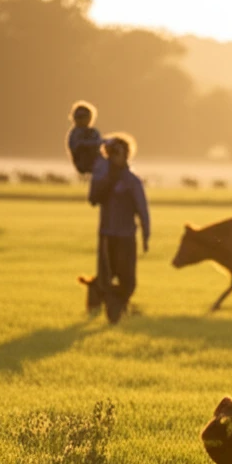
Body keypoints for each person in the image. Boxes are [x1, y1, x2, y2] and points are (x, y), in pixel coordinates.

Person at [89, 134, 150, 324]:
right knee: (106, 277)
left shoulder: (132, 181)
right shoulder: (102, 178)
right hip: (107, 235)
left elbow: (142, 209)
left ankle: (118, 306)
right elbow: (93, 199)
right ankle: (111, 310)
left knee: (128, 280)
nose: (115, 157)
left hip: (126, 236)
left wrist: (146, 234)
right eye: (111, 153)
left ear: (127, 155)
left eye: (119, 153)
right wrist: (108, 180)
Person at [66, 101, 104, 177]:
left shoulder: (93, 132)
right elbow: (76, 146)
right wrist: (92, 144)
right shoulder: (75, 133)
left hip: (97, 161)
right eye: (78, 117)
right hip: (82, 163)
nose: (81, 119)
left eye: (84, 116)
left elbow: (99, 145)